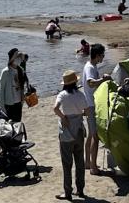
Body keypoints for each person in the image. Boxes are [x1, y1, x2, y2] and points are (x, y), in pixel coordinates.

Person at [52, 70, 90, 200]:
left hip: (67, 131)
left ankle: (67, 192)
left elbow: (55, 108)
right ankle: (80, 190)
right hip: (79, 129)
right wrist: (79, 114)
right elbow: (87, 111)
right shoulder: (80, 95)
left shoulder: (62, 95)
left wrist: (63, 117)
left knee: (67, 164)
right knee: (79, 162)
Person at [82, 43, 106, 175]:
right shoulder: (90, 67)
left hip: (88, 103)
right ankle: (93, 167)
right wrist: (103, 79)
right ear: (97, 55)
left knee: (91, 135)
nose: (103, 57)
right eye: (102, 55)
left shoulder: (90, 66)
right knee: (95, 136)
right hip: (91, 105)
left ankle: (87, 163)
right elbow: (90, 83)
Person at [0, 48, 25, 122]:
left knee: (17, 124)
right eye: (16, 57)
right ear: (12, 59)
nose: (18, 59)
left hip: (19, 102)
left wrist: (23, 99)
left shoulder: (20, 70)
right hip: (9, 103)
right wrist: (2, 106)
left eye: (19, 57)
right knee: (9, 126)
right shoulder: (5, 72)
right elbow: (1, 90)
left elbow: (22, 86)